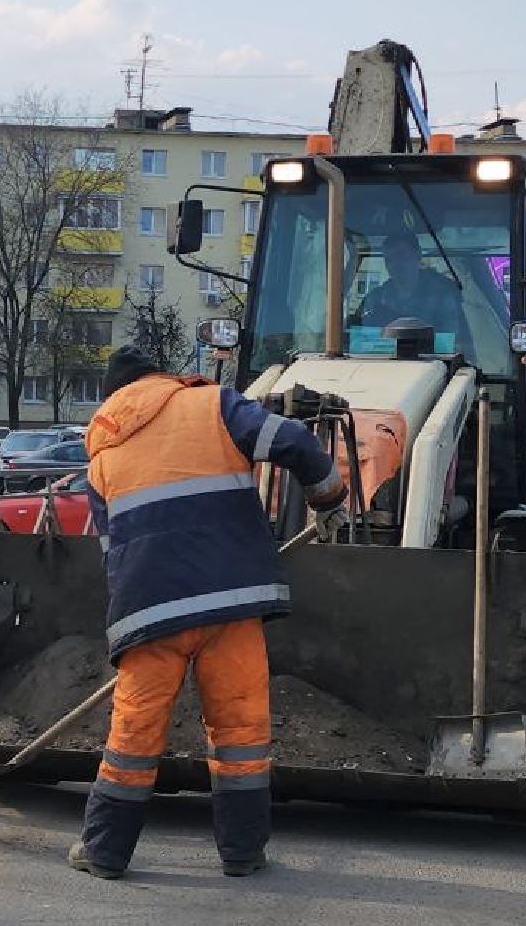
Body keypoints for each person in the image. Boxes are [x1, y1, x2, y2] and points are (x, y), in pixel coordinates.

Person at [69, 346, 348, 881]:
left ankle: (104, 852)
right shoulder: (211, 405)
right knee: (241, 732)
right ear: (163, 380)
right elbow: (293, 440)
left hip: (150, 610)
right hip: (230, 600)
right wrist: (329, 497)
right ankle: (242, 853)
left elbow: (114, 554)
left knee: (133, 735)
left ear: (114, 397)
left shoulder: (101, 455)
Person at [357, 232, 462, 335]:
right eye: (389, 259)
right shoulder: (375, 299)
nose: (394, 264)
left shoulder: (442, 296)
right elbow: (360, 339)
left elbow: (453, 343)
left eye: (400, 256)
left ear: (418, 255)